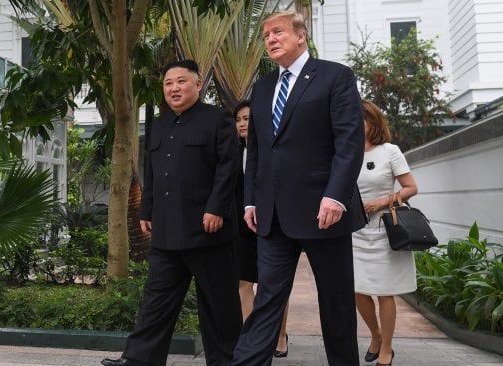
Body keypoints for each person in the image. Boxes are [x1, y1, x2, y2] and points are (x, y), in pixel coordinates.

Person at [230, 10, 366, 366]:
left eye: (277, 32)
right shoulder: (261, 88)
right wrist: (250, 202)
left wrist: (336, 194)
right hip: (272, 216)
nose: (270, 40)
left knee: (335, 304)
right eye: (266, 36)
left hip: (325, 211)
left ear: (301, 35)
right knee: (267, 301)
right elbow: (257, 151)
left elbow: (349, 142)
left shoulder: (334, 76)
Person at [101, 59, 242, 366]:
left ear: (197, 84)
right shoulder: (160, 124)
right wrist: (146, 210)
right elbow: (153, 172)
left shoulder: (218, 119)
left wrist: (216, 208)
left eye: (181, 81)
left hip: (209, 231)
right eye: (168, 83)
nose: (174, 88)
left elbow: (229, 168)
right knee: (156, 301)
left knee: (219, 305)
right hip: (166, 231)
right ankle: (139, 360)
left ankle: (226, 362)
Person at [353, 100, 418, 366]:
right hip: (354, 231)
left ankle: (387, 349)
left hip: (383, 229)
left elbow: (411, 187)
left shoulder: (389, 151)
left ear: (374, 121)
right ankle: (376, 334)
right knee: (355, 288)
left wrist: (381, 202)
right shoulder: (346, 151)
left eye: (361, 119)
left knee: (384, 292)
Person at [233, 101, 290, 358]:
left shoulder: (272, 150)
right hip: (242, 227)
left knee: (274, 284)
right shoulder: (232, 152)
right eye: (239, 119)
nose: (243, 123)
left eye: (247, 118)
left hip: (272, 225)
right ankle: (252, 338)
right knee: (243, 282)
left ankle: (279, 335)